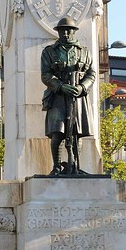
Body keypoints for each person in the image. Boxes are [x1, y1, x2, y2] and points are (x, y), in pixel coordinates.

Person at [41, 17, 96, 175]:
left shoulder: (84, 52)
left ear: (74, 31)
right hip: (58, 96)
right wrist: (60, 86)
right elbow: (45, 75)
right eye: (62, 30)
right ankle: (56, 166)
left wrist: (82, 87)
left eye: (69, 30)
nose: (66, 33)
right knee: (57, 133)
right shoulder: (49, 52)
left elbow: (91, 74)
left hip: (77, 97)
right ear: (58, 32)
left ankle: (74, 165)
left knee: (76, 133)